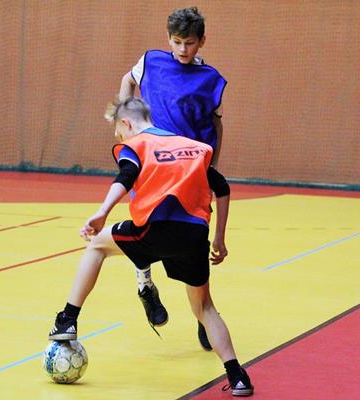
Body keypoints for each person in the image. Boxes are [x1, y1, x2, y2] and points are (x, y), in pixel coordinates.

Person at [48, 97, 253, 397]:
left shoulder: (137, 146)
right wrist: (219, 238)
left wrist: (102, 212)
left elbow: (126, 177)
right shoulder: (191, 147)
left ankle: (67, 319)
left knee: (97, 245)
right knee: (205, 308)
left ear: (126, 123)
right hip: (194, 236)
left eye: (119, 133)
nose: (120, 139)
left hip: (154, 231)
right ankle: (237, 377)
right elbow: (222, 188)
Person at [119, 6, 227, 351]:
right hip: (153, 165)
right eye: (177, 42)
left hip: (190, 172)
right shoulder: (151, 61)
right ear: (168, 39)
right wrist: (126, 120)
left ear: (202, 41)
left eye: (189, 43)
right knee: (145, 226)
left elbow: (216, 125)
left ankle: (203, 312)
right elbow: (128, 81)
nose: (183, 49)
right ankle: (145, 287)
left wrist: (211, 166)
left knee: (192, 240)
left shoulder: (210, 79)